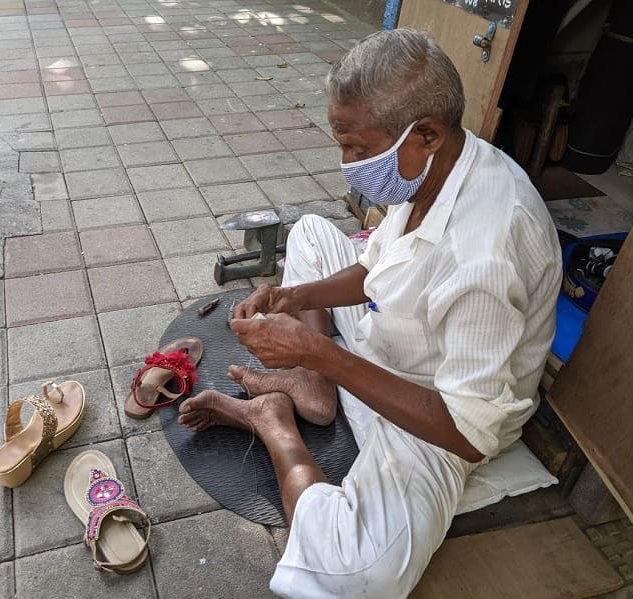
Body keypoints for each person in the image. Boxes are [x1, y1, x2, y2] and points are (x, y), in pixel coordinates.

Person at [178, 28, 562, 598]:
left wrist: (318, 351)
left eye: (358, 148)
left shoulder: (485, 251)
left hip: (434, 412)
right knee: (310, 233)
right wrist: (297, 298)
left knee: (358, 572)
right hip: (392, 336)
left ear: (425, 134)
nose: (347, 164)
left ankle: (275, 421)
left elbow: (469, 434)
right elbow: (376, 272)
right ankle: (316, 388)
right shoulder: (441, 167)